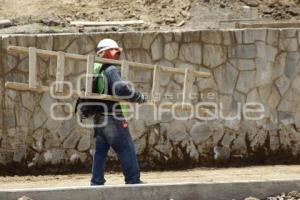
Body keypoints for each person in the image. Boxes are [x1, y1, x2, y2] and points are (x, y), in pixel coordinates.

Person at [90, 38, 146, 185]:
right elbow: (121, 89)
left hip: (99, 117)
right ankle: (133, 180)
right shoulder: (111, 69)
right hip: (113, 117)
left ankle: (96, 182)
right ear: (108, 53)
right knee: (126, 148)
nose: (116, 57)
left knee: (100, 151)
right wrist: (138, 97)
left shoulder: (95, 69)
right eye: (114, 54)